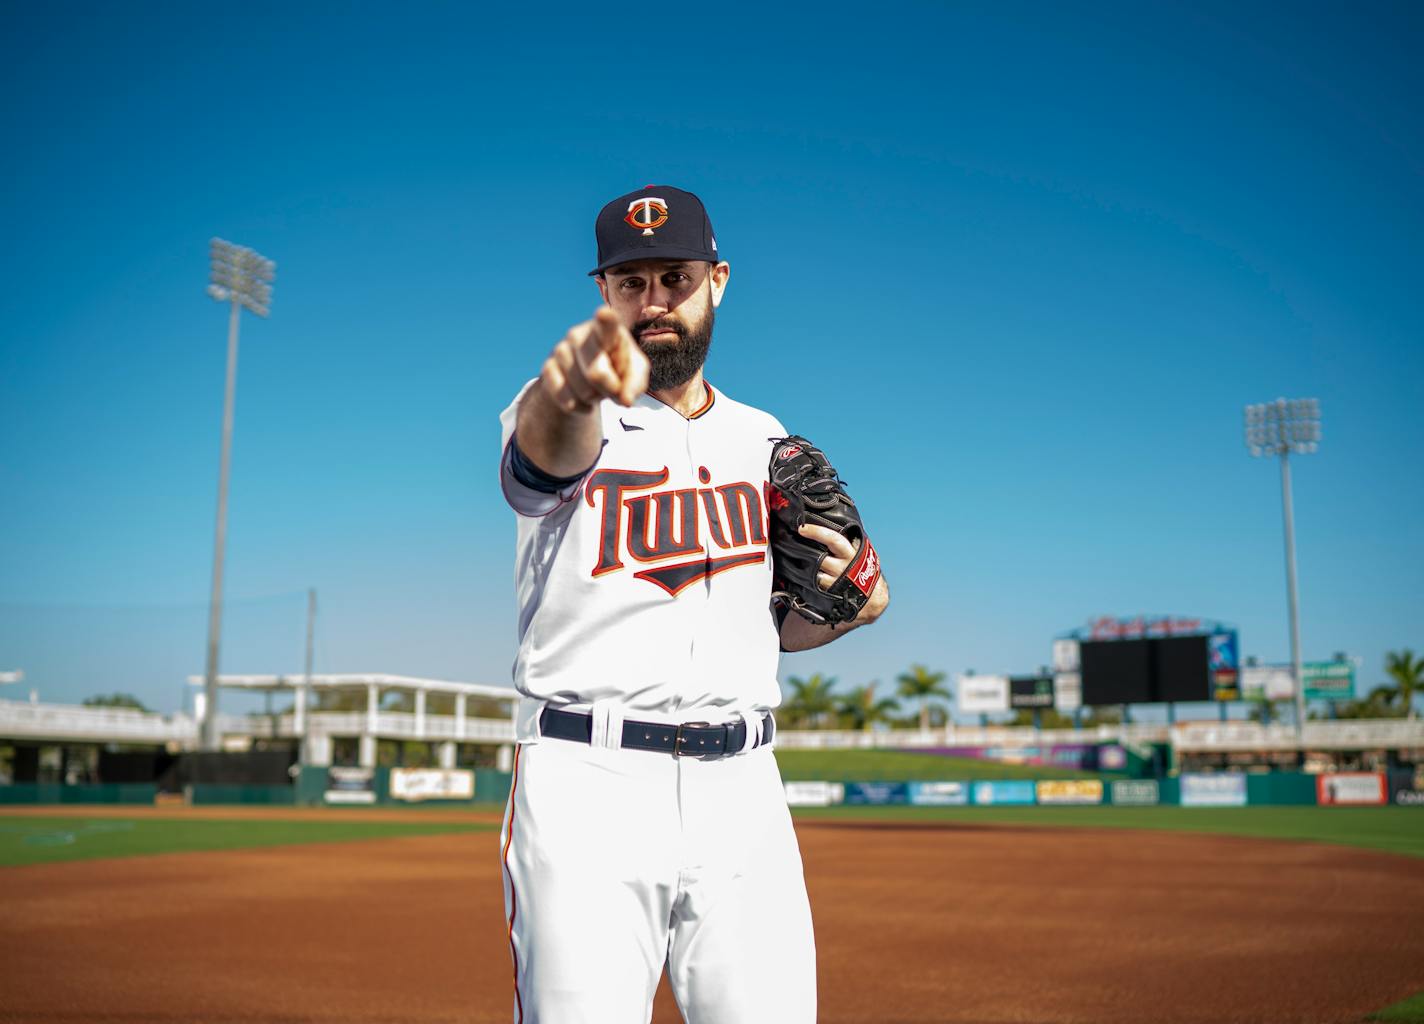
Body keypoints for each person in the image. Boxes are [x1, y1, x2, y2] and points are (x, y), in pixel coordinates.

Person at [496, 184, 889, 1023]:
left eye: (674, 277)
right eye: (630, 283)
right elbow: (543, 463)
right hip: (587, 784)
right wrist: (566, 398)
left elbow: (777, 629)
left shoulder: (765, 438)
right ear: (603, 295)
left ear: (718, 280)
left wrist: (853, 606)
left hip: (744, 788)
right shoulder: (564, 405)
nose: (654, 302)